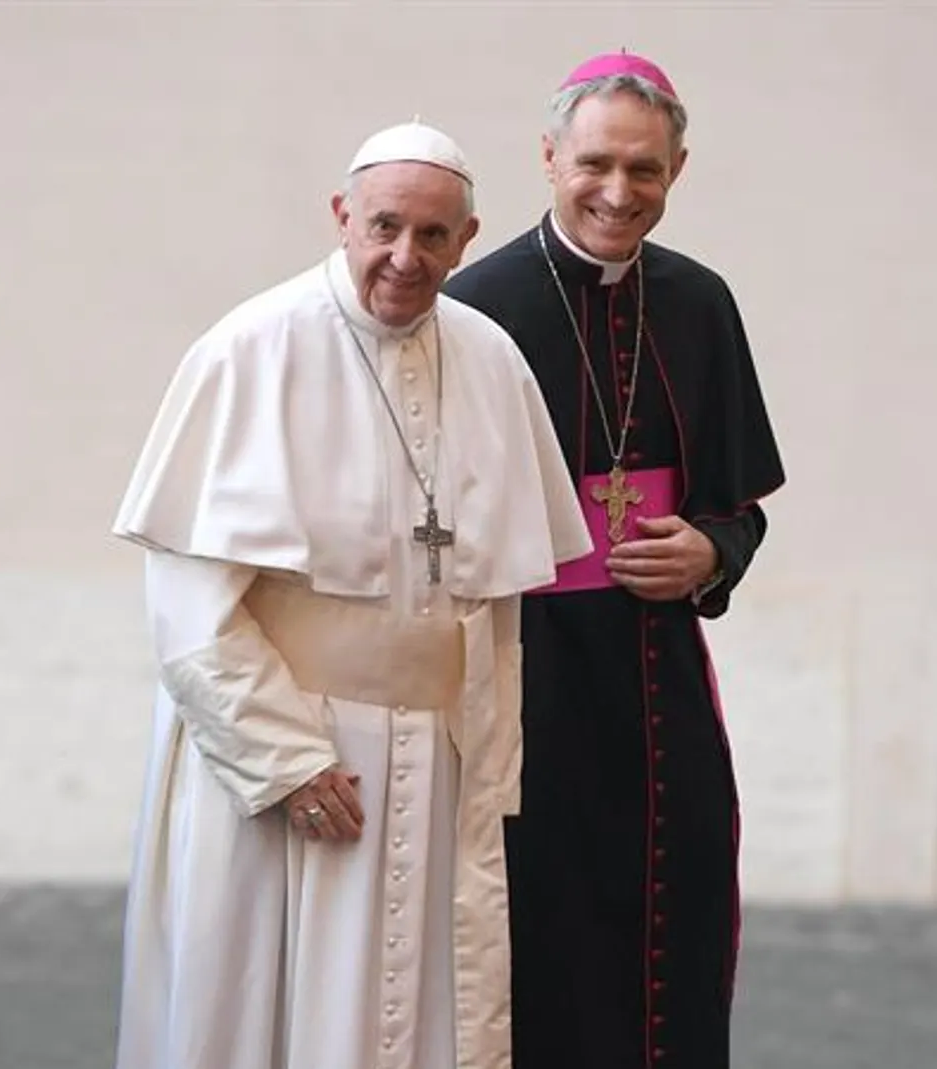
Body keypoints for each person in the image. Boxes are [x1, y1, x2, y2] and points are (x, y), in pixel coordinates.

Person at [109, 121, 592, 1069]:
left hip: (433, 758)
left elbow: (496, 610)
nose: (404, 258)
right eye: (384, 228)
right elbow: (189, 602)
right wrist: (283, 757)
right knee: (264, 1012)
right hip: (290, 760)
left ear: (468, 237)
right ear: (342, 217)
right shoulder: (250, 348)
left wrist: (489, 769)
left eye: (432, 236)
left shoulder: (491, 360)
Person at [443, 51, 788, 1068]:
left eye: (644, 170)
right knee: (535, 942)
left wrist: (709, 552)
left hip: (657, 683)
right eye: (595, 163)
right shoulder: (475, 310)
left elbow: (740, 510)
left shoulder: (700, 302)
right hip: (524, 677)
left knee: (669, 931)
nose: (617, 192)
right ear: (548, 158)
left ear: (677, 170)